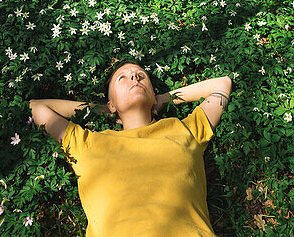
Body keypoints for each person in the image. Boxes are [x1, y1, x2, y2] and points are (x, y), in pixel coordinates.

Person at [29, 60, 234, 237]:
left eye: (141, 76)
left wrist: (162, 99)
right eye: (123, 78)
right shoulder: (88, 144)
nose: (134, 78)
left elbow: (221, 84)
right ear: (111, 104)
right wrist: (98, 110)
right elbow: (37, 107)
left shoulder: (184, 130)